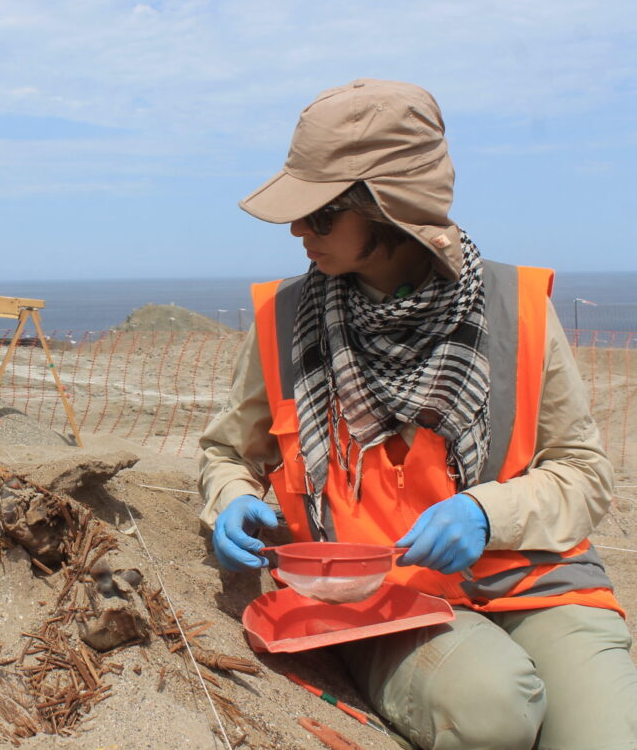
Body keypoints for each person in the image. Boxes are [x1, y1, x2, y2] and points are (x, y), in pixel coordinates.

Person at [199, 79, 637, 749]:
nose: (296, 230)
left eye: (319, 213)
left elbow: (584, 474)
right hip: (378, 602)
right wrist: (229, 498)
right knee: (495, 711)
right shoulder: (284, 319)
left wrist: (487, 513)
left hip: (540, 585)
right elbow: (230, 453)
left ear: (386, 210)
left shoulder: (518, 306)